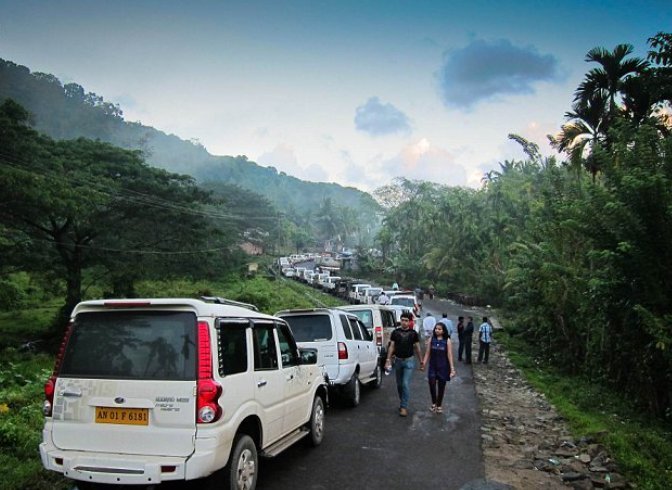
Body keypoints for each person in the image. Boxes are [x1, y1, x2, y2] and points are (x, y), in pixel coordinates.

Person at [385, 311, 423, 417]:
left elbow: (418, 348)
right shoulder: (395, 333)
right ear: (400, 320)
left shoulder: (413, 334)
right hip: (398, 361)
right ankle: (403, 402)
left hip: (409, 361)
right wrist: (388, 359)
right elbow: (392, 346)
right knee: (399, 385)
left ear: (410, 322)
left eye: (406, 321)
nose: (404, 322)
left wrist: (421, 361)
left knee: (405, 384)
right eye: (402, 320)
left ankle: (403, 407)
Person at [421, 321, 455, 414]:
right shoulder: (431, 339)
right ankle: (433, 403)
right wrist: (423, 363)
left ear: (443, 331)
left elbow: (449, 355)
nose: (437, 330)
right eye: (436, 328)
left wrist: (452, 368)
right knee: (431, 384)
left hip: (443, 367)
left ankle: (439, 405)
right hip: (433, 366)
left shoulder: (447, 340)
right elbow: (427, 352)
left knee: (441, 386)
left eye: (439, 329)